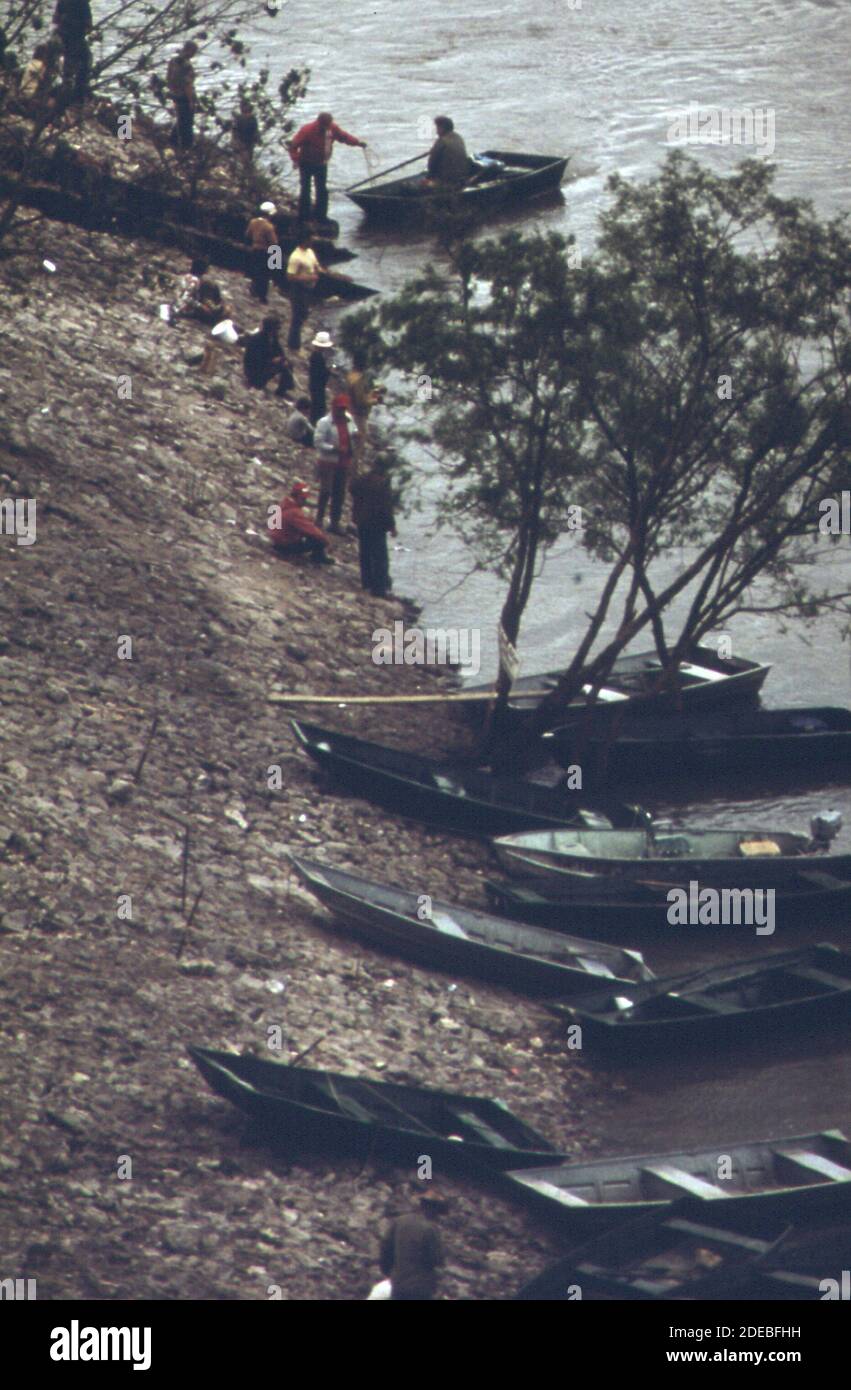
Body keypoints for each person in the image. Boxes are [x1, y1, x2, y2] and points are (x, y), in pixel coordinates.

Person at [288, 111, 366, 226]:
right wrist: (295, 160)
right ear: (319, 123)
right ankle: (303, 217)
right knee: (305, 189)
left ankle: (321, 216)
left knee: (322, 190)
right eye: (325, 126)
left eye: (328, 125)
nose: (327, 128)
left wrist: (358, 143)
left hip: (321, 163)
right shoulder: (307, 130)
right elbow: (293, 146)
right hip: (306, 163)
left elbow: (343, 137)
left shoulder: (332, 128)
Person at [375, 1200, 444, 1302]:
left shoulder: (399, 1222)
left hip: (398, 1283)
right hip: (421, 1287)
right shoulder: (431, 1228)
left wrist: (388, 1272)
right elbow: (436, 1259)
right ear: (432, 1209)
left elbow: (385, 1248)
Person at [350, 455, 395, 597]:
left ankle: (367, 582)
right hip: (377, 523)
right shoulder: (383, 483)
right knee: (380, 557)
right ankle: (379, 589)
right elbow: (386, 507)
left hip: (362, 521)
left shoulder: (363, 479)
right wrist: (392, 526)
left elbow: (352, 488)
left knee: (365, 552)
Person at [314, 394, 357, 533]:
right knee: (326, 491)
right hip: (328, 461)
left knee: (339, 493)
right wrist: (334, 448)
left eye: (344, 408)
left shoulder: (349, 419)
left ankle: (334, 522)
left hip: (343, 462)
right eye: (339, 408)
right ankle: (319, 518)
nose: (341, 411)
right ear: (333, 408)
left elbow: (353, 431)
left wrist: (356, 436)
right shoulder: (324, 422)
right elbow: (318, 442)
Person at [269, 480, 333, 564]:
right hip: (285, 545)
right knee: (318, 539)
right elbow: (311, 530)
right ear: (298, 497)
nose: (305, 501)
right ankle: (318, 557)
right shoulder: (294, 512)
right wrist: (325, 540)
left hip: (277, 541)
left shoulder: (284, 504)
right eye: (303, 499)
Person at [286, 230, 324, 352]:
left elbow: (315, 264)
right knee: (297, 316)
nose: (313, 240)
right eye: (310, 238)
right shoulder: (295, 257)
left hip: (308, 288)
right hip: (298, 289)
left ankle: (296, 341)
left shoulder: (310, 252)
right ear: (304, 240)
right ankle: (294, 345)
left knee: (303, 314)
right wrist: (309, 277)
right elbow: (290, 276)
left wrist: (321, 270)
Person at [345, 351, 383, 474]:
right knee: (357, 446)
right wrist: (375, 400)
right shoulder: (359, 380)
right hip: (359, 416)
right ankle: (351, 472)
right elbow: (361, 401)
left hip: (349, 411)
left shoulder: (351, 375)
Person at [53, 0, 92, 107]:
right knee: (85, 63)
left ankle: (65, 89)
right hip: (77, 39)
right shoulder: (83, 3)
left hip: (63, 38)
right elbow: (88, 25)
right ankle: (78, 97)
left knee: (67, 66)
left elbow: (55, 20)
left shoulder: (62, 2)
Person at [243, 316, 294, 396]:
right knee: (282, 366)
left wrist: (282, 359)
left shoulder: (273, 338)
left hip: (266, 365)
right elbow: (256, 361)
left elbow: (280, 351)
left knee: (288, 364)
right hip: (255, 371)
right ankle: (258, 383)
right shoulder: (257, 340)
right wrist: (272, 361)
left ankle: (282, 389)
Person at [166, 41, 198, 150]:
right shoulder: (186, 65)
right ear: (190, 50)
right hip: (185, 96)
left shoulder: (173, 61)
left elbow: (169, 79)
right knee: (187, 122)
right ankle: (185, 146)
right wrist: (191, 101)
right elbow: (187, 84)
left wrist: (173, 91)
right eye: (194, 52)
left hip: (175, 94)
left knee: (180, 119)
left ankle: (173, 142)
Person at [245, 202, 279, 303]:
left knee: (255, 271)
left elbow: (247, 235)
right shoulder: (269, 226)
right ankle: (262, 297)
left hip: (255, 249)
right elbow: (274, 243)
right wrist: (276, 259)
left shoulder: (253, 222)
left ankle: (253, 290)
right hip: (265, 252)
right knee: (265, 275)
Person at [426, 116, 469, 186]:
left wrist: (429, 178)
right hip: (461, 177)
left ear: (442, 128)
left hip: (446, 181)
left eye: (437, 128)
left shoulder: (441, 141)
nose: (436, 132)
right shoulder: (458, 137)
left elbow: (432, 164)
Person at [308, 331, 334, 425]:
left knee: (316, 405)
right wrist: (329, 371)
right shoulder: (318, 357)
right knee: (319, 407)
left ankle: (313, 422)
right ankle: (315, 424)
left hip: (314, 384)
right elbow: (320, 374)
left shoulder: (315, 355)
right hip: (317, 386)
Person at [232, 96, 259, 165]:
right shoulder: (239, 119)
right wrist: (237, 142)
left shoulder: (252, 119)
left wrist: (256, 138)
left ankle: (247, 164)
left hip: (249, 141)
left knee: (248, 157)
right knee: (243, 157)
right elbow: (235, 131)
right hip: (241, 142)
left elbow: (255, 130)